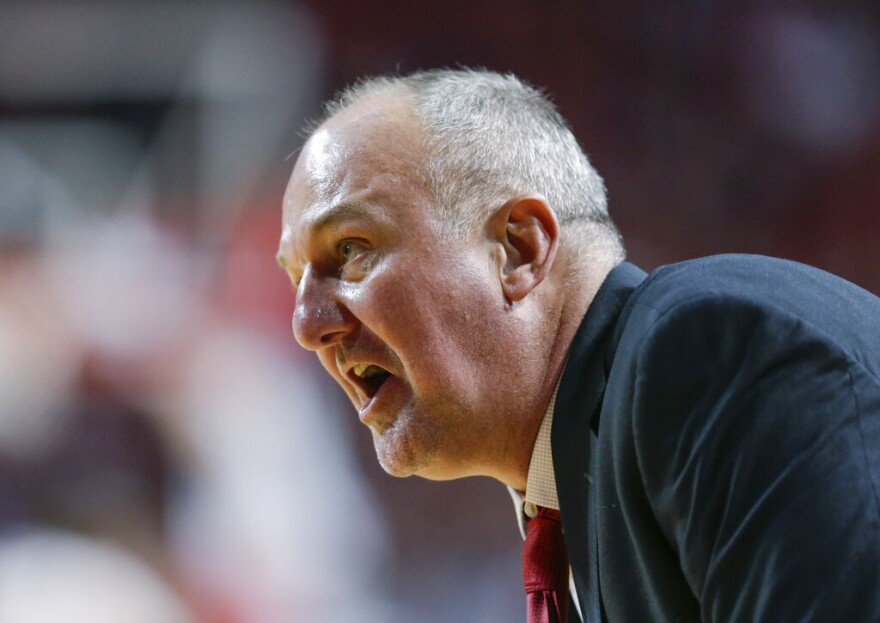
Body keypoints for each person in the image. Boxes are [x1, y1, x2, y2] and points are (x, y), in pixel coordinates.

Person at [275, 69, 880, 622]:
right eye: (296, 278)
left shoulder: (704, 351)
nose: (306, 324)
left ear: (520, 250)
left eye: (350, 250)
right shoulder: (582, 484)